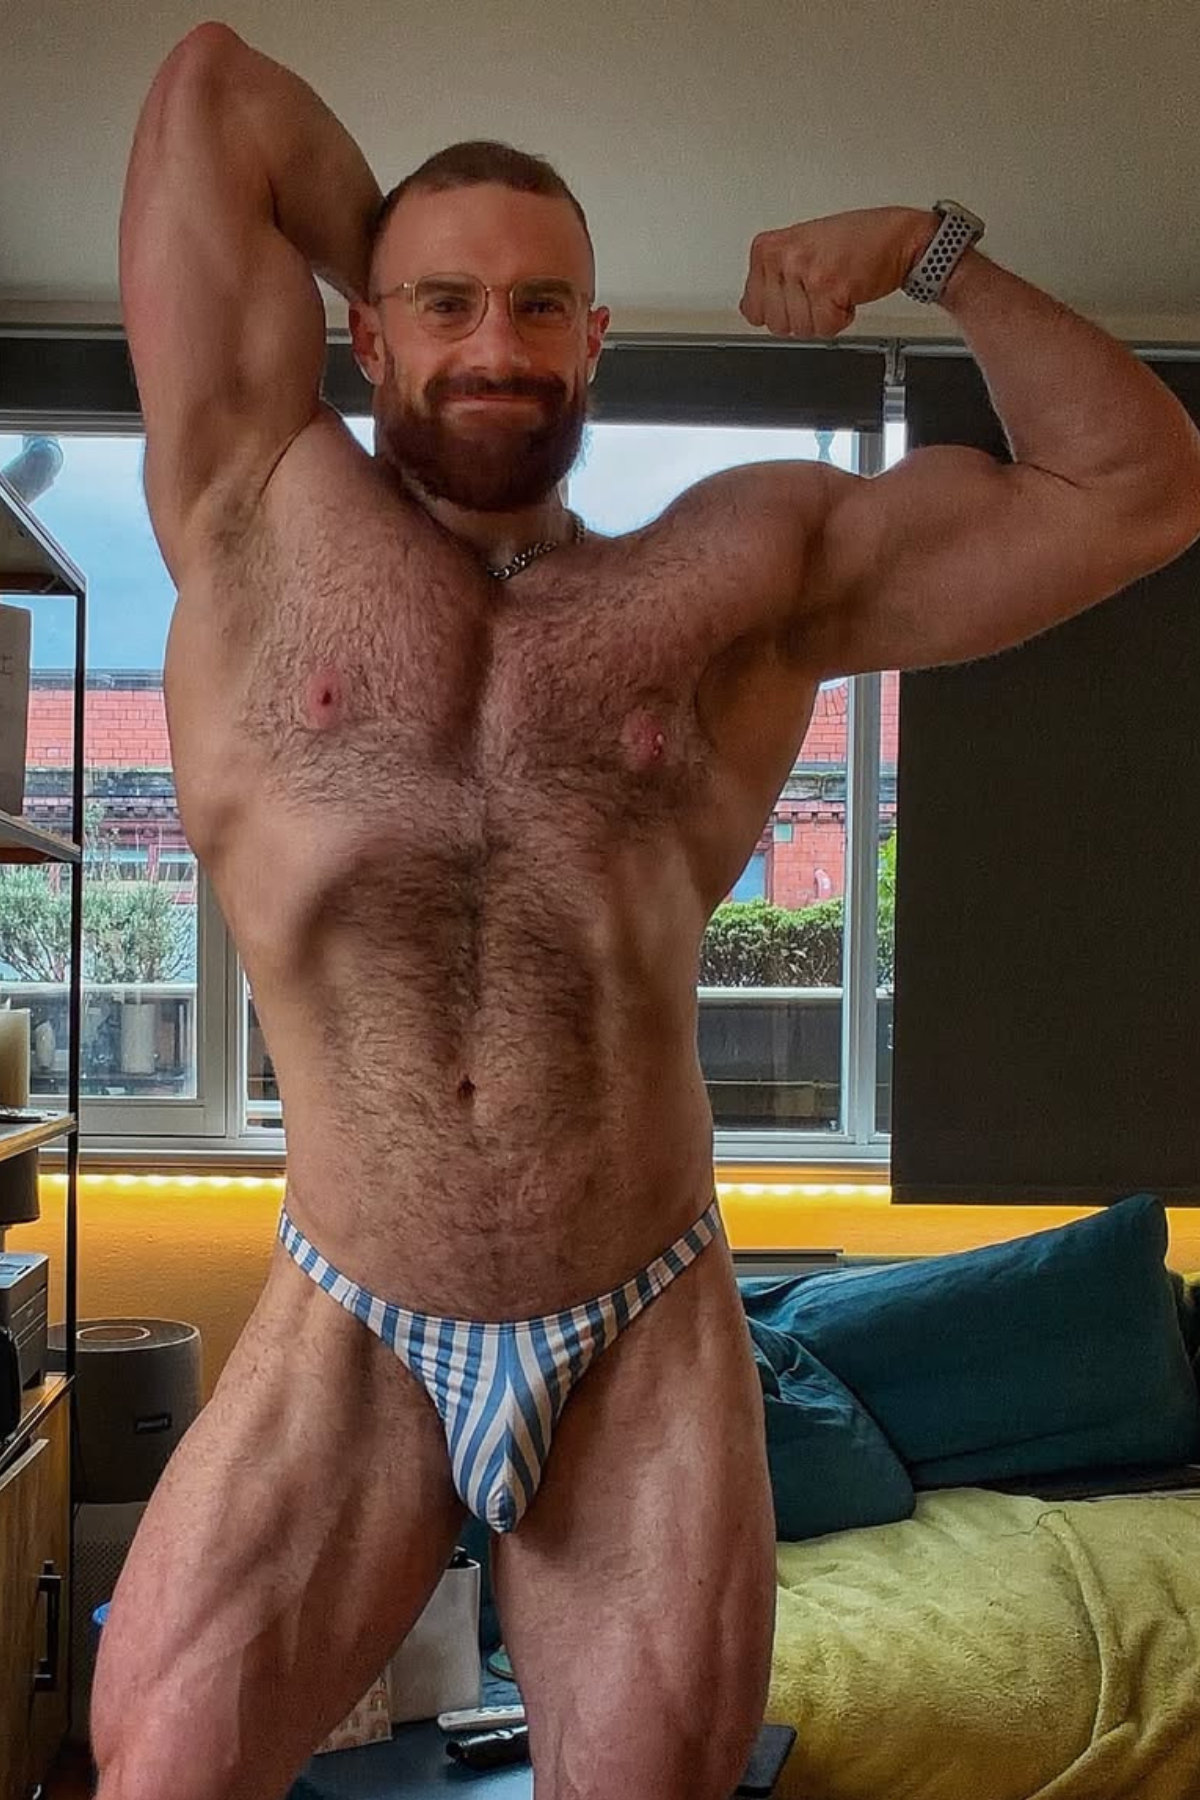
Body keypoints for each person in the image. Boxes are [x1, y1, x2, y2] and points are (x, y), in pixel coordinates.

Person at [92, 21, 1200, 1800]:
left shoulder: (730, 578)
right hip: (355, 1313)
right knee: (159, 1768)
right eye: (445, 305)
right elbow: (212, 85)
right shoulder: (251, 506)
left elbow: (1137, 488)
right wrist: (398, 255)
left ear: (596, 338)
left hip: (641, 1323)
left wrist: (934, 251)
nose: (496, 349)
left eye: (542, 308)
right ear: (363, 329)